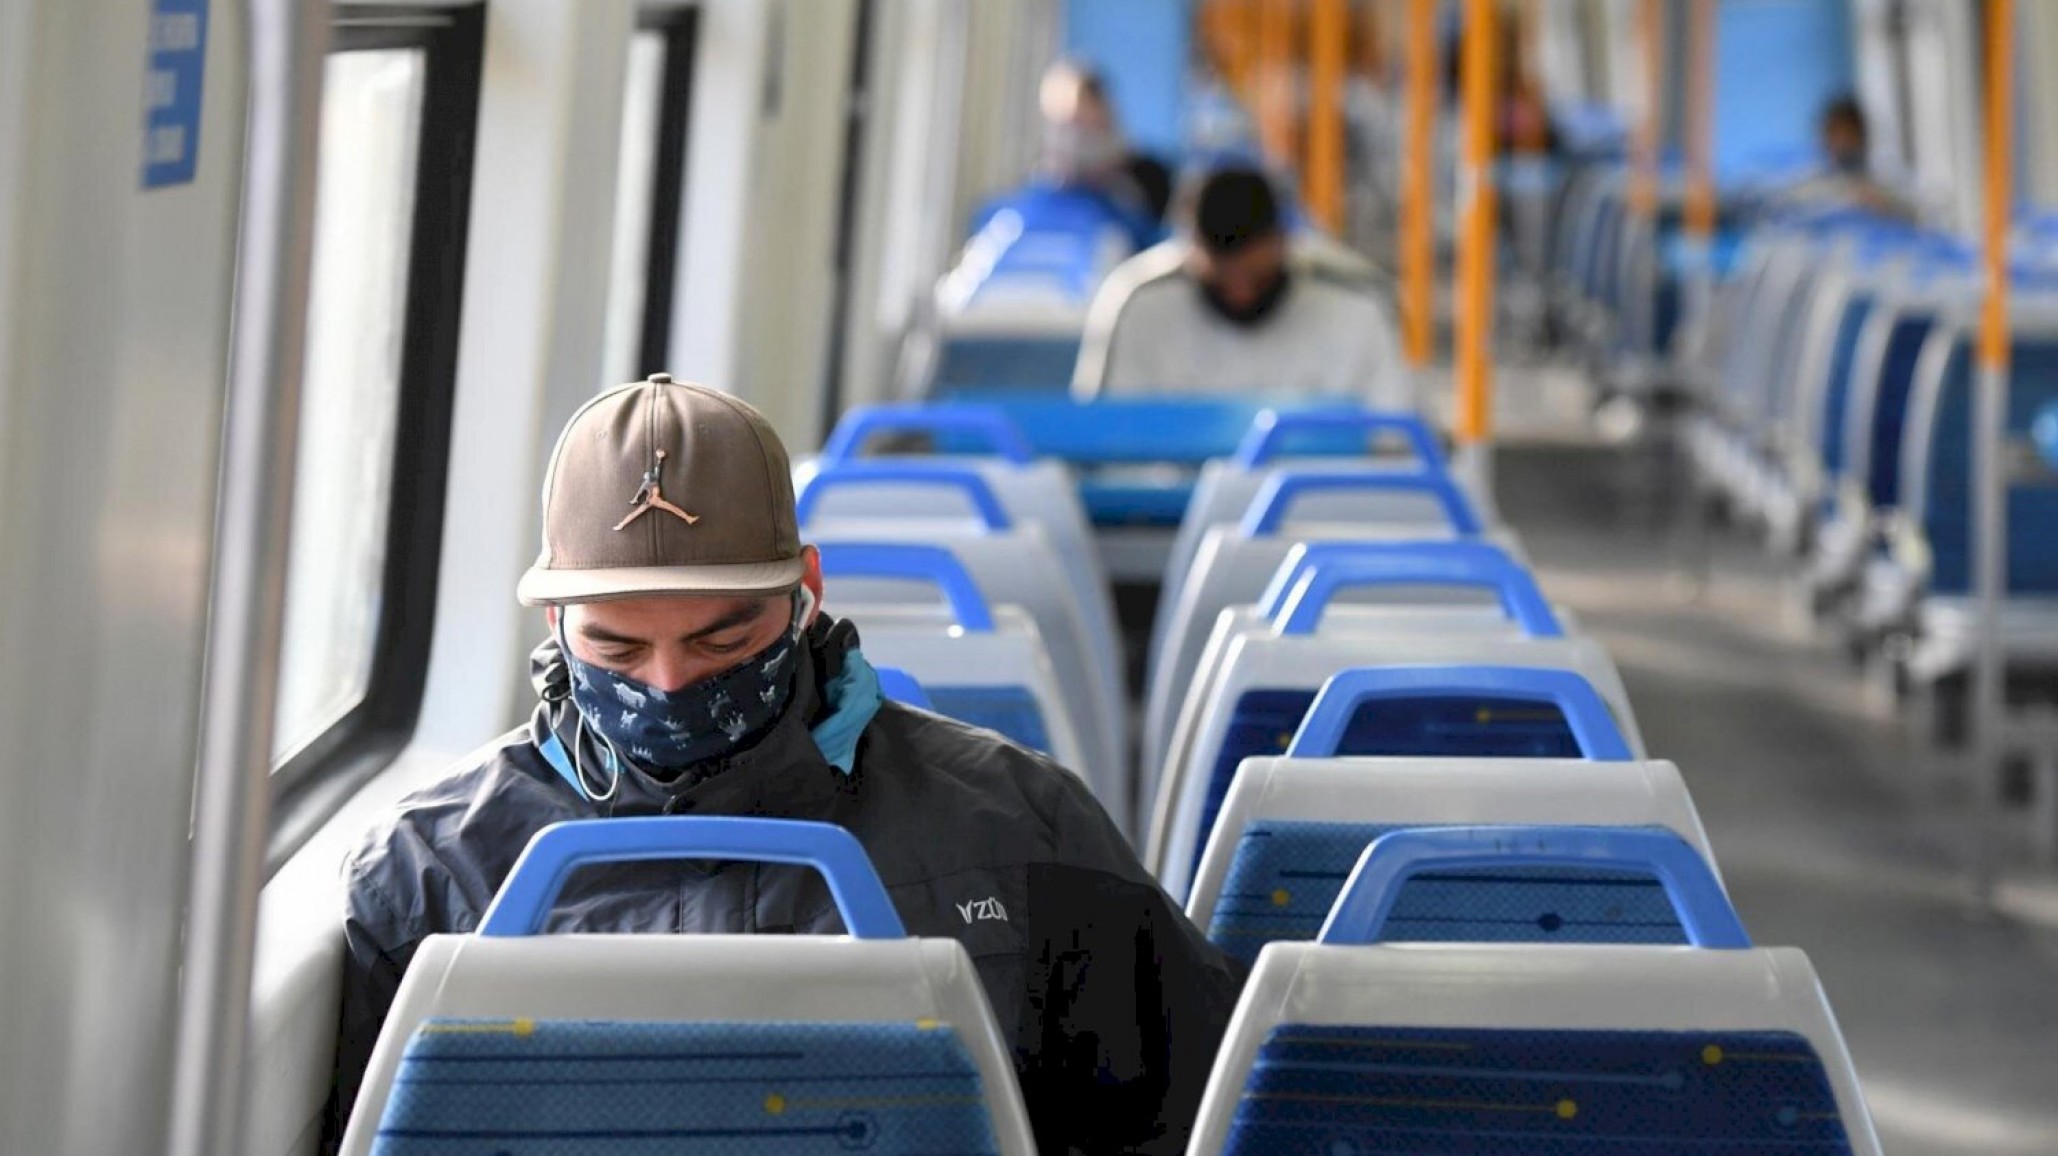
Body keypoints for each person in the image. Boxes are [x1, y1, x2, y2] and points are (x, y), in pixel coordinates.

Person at [328, 376, 1246, 1154]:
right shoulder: (434, 872)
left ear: (806, 592)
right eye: (616, 648)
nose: (669, 683)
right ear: (555, 625)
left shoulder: (1015, 826)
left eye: (722, 640)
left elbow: (1187, 1119)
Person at [1072, 166, 1409, 407]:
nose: (1241, 294)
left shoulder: (1355, 305)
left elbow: (1394, 444)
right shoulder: (1140, 304)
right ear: (1192, 254)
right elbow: (1106, 440)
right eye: (1222, 281)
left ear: (1283, 244)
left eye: (1257, 279)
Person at [1781, 95, 1920, 223]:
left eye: (1849, 135)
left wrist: (1887, 206)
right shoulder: (1810, 182)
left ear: (1864, 137)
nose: (1842, 144)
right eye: (1835, 135)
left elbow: (1918, 215)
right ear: (1824, 139)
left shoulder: (1887, 181)